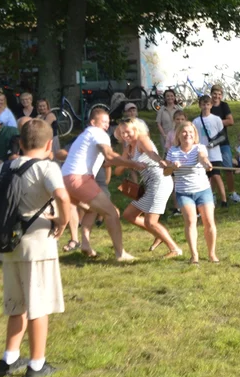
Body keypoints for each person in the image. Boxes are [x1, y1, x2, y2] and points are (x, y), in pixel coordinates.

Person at [0, 119, 72, 377]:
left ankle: (9, 359)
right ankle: (37, 365)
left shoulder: (6, 166)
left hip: (9, 244)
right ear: (49, 144)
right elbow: (62, 196)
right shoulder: (47, 167)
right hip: (38, 243)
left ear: (20, 142)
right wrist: (62, 221)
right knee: (39, 306)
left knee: (17, 305)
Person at [61, 107, 143, 261]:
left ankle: (85, 243)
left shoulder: (83, 136)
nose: (106, 125)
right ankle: (120, 254)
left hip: (65, 179)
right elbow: (110, 156)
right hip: (79, 178)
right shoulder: (98, 133)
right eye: (103, 121)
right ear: (93, 122)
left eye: (108, 122)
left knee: (92, 209)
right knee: (111, 212)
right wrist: (133, 164)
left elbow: (105, 160)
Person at [116, 117, 182, 259]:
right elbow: (118, 170)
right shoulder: (128, 148)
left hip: (160, 182)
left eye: (128, 132)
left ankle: (175, 249)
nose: (125, 136)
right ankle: (158, 233)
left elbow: (152, 153)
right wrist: (123, 162)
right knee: (129, 215)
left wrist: (161, 161)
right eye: (122, 133)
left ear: (136, 130)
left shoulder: (142, 139)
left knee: (150, 221)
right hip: (150, 184)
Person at [162, 123, 219, 264]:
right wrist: (172, 167)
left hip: (203, 190)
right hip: (184, 192)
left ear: (195, 135)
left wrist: (206, 162)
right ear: (178, 135)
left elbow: (202, 157)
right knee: (190, 221)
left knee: (209, 222)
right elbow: (165, 173)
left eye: (191, 132)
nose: (188, 135)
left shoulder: (199, 148)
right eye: (184, 132)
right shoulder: (173, 151)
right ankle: (194, 255)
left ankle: (212, 254)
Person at [193, 95, 228, 207]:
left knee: (216, 176)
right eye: (203, 104)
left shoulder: (216, 119)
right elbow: (194, 137)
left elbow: (223, 136)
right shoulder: (196, 121)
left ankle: (224, 200)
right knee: (205, 178)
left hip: (215, 154)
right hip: (203, 154)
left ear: (211, 105)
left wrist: (214, 143)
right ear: (199, 105)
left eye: (208, 104)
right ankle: (206, 200)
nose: (205, 107)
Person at [209, 85, 240, 203]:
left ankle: (232, 192)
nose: (217, 96)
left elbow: (230, 121)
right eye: (215, 94)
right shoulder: (208, 106)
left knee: (228, 168)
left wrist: (216, 122)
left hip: (223, 142)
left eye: (219, 94)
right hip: (211, 144)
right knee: (212, 170)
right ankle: (212, 194)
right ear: (211, 94)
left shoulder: (224, 106)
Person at [155, 88, 179, 152]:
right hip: (165, 137)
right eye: (167, 96)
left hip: (177, 136)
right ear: (165, 98)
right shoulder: (161, 110)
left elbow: (183, 122)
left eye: (171, 96)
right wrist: (164, 135)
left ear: (174, 97)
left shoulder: (179, 109)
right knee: (167, 155)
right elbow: (159, 123)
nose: (170, 98)